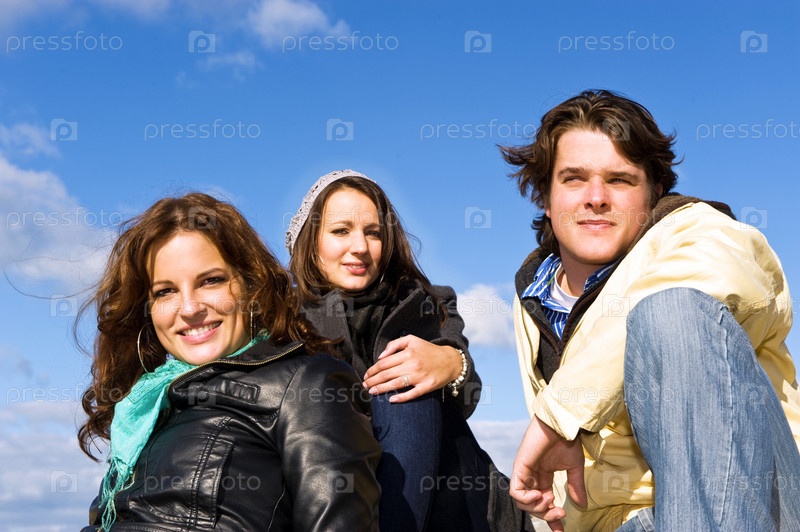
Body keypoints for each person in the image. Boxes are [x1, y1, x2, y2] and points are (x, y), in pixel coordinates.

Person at [501, 89, 800, 531]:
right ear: (546, 197)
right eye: (574, 179)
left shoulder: (701, 233)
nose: (596, 197)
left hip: (757, 505)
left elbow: (702, 280)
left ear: (654, 193)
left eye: (619, 180)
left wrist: (559, 414)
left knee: (672, 311)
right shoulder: (532, 297)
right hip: (613, 524)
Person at [77, 192, 381, 531]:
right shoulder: (146, 407)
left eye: (211, 281)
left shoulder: (306, 383)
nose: (189, 308)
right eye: (165, 291)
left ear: (251, 284)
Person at [286, 170, 531, 532]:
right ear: (310, 242)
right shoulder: (288, 325)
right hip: (343, 503)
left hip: (458, 502)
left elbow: (468, 396)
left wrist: (454, 363)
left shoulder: (427, 303)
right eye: (341, 231)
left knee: (403, 378)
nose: (360, 246)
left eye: (373, 233)